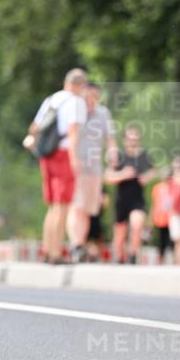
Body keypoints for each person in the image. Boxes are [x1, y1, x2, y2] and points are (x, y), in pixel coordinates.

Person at [26, 68, 88, 263]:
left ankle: (46, 249)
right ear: (80, 85)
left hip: (46, 156)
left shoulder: (52, 100)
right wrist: (75, 160)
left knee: (53, 206)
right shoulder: (76, 102)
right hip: (62, 155)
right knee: (62, 206)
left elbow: (34, 128)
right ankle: (55, 253)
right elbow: (73, 133)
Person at [67, 81, 117, 262]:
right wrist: (73, 160)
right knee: (76, 206)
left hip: (94, 168)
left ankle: (79, 244)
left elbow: (110, 138)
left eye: (95, 97)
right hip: (75, 166)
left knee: (88, 209)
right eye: (88, 96)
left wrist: (112, 153)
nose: (91, 100)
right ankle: (76, 245)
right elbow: (69, 137)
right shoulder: (74, 113)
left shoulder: (103, 114)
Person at [105, 126, 155, 264]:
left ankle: (133, 255)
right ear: (125, 140)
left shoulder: (144, 156)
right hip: (121, 200)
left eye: (135, 139)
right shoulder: (119, 157)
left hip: (137, 199)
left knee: (137, 225)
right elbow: (108, 177)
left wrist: (146, 178)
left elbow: (152, 171)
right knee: (119, 236)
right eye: (130, 139)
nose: (133, 141)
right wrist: (123, 175)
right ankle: (120, 258)